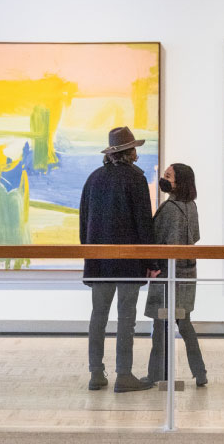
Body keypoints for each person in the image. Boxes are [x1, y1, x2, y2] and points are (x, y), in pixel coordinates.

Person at [80, 126, 159, 393]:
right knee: (127, 318)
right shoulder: (135, 179)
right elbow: (143, 224)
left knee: (98, 316)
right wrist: (153, 262)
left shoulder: (94, 178)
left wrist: (89, 253)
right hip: (128, 261)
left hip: (99, 260)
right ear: (131, 152)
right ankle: (124, 375)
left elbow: (83, 223)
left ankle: (96, 373)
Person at [143, 163, 207, 387]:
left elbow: (157, 240)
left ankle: (155, 375)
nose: (163, 178)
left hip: (168, 273)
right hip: (188, 271)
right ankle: (200, 372)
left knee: (160, 327)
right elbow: (195, 236)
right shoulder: (191, 206)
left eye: (168, 176)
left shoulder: (169, 209)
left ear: (178, 182)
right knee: (184, 323)